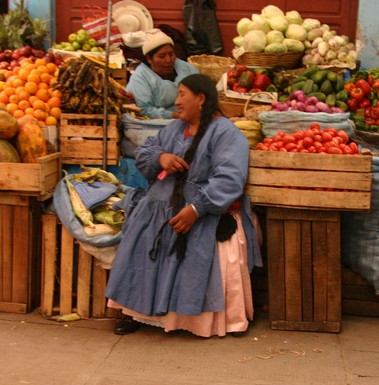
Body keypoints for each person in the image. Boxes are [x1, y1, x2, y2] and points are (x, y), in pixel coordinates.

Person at [105, 74, 262, 337]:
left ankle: (188, 319)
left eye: (182, 94)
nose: (176, 101)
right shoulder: (174, 129)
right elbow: (144, 152)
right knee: (142, 233)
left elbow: (229, 180)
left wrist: (195, 209)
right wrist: (161, 157)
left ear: (201, 99)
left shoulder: (226, 134)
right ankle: (136, 311)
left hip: (203, 210)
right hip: (160, 205)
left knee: (186, 239)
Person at [125, 29, 199, 119]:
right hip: (157, 122)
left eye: (171, 54)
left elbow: (201, 91)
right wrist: (175, 115)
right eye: (162, 56)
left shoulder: (186, 68)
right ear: (149, 59)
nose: (168, 60)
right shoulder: (140, 78)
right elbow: (144, 109)